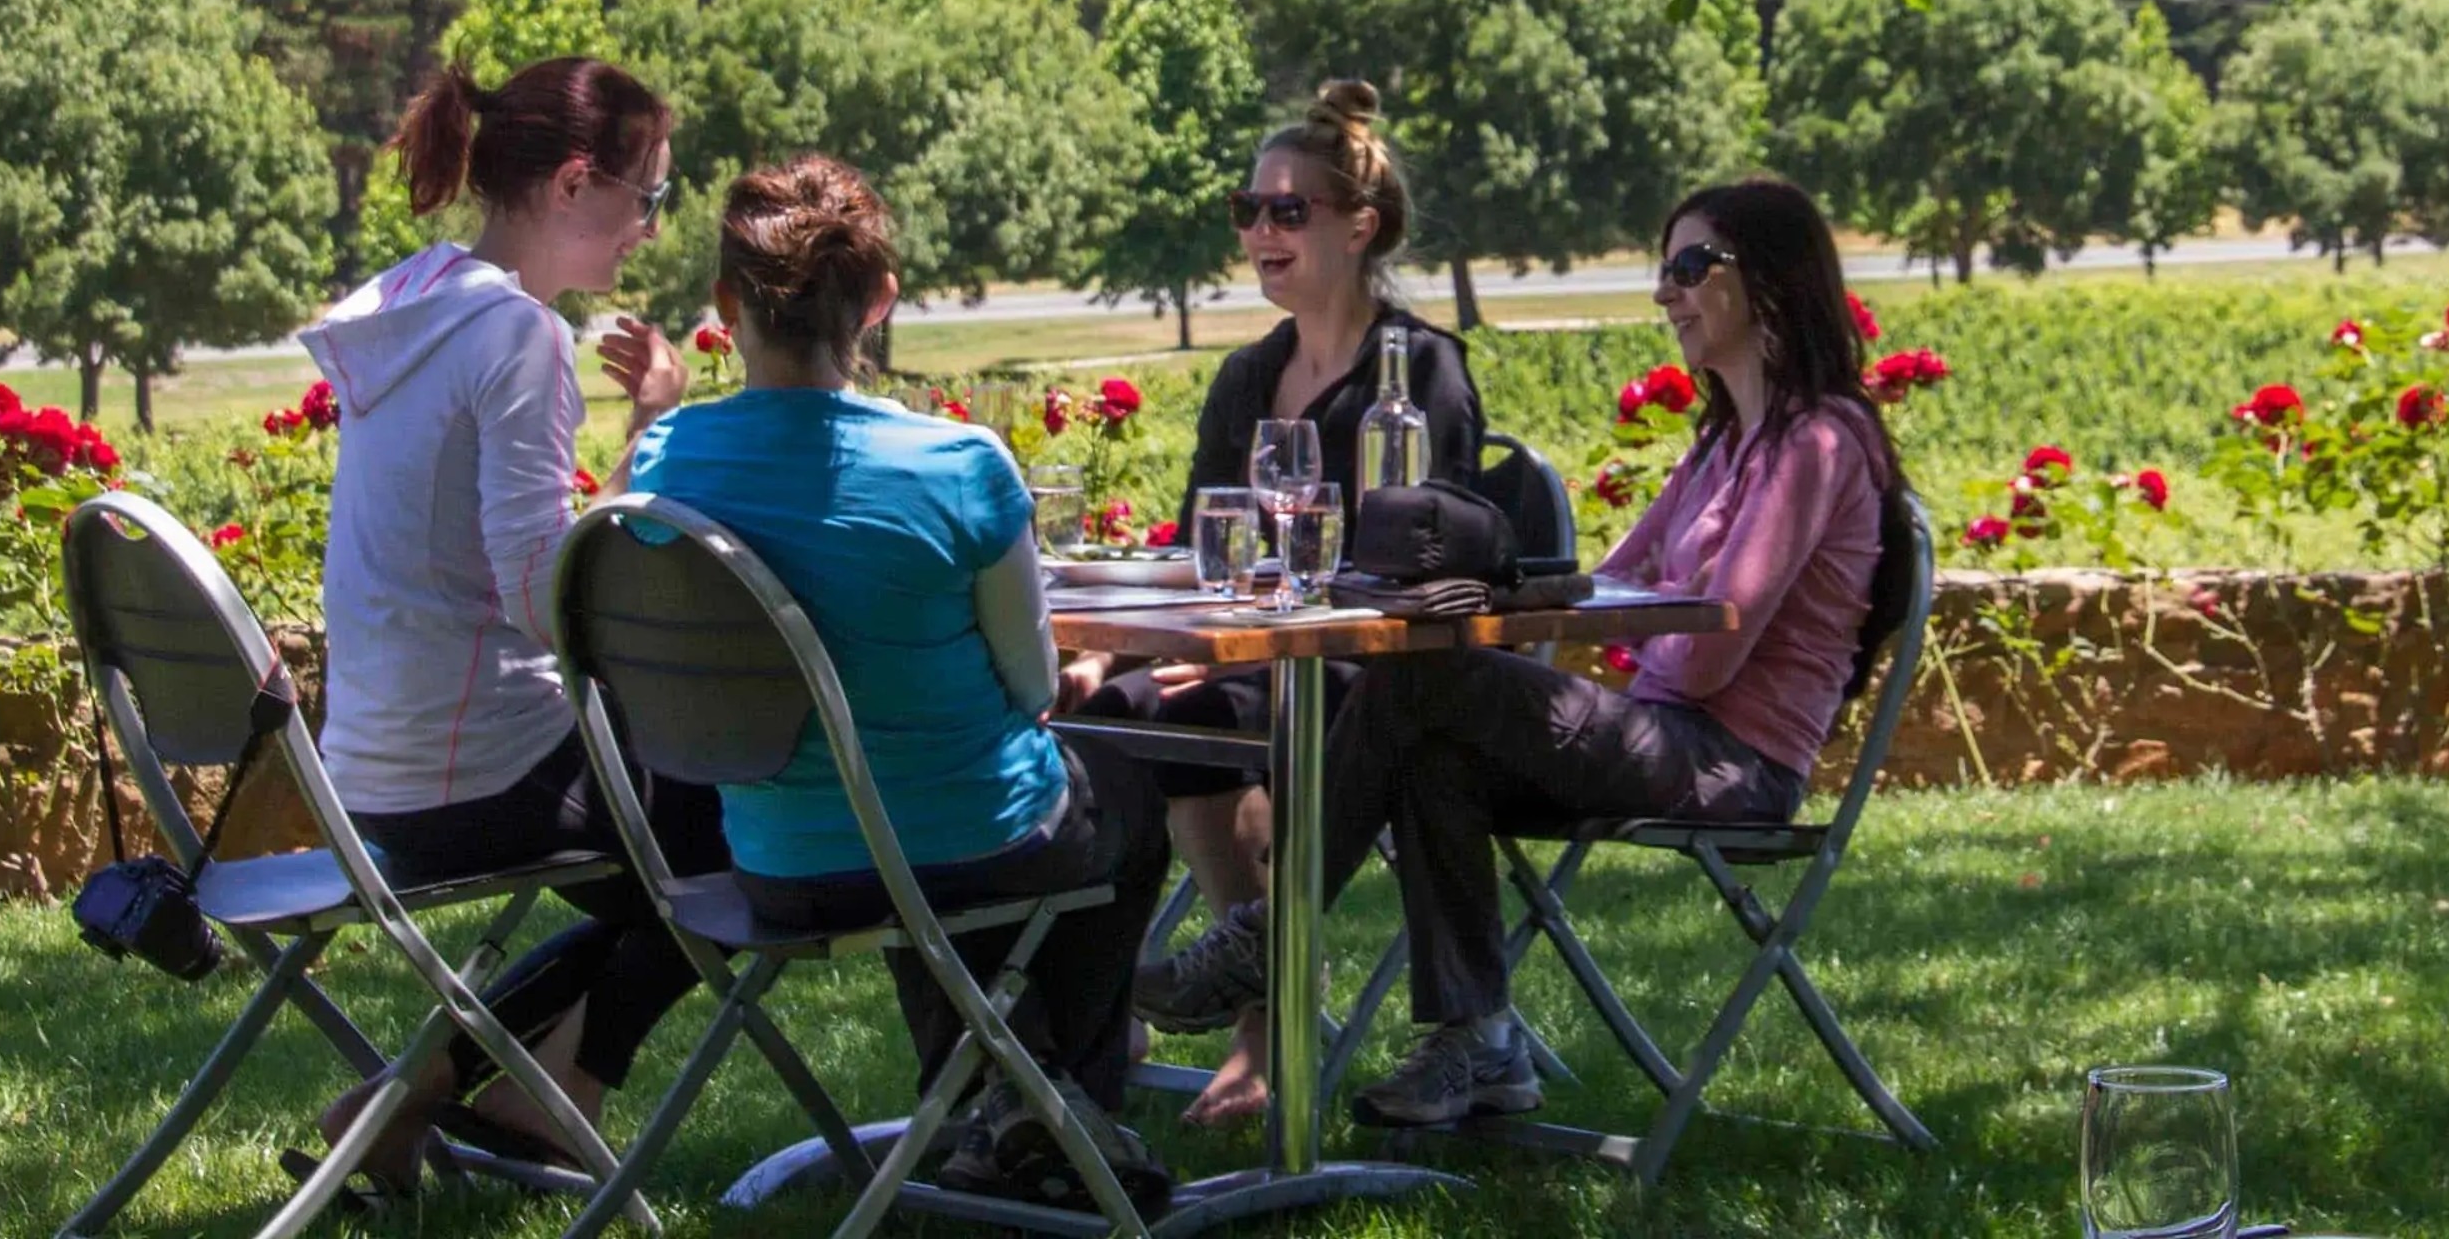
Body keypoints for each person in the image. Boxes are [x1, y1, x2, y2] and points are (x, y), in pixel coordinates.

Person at [1134, 178, 1912, 1129]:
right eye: (1662, 269)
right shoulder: (1723, 445)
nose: (1666, 292)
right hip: (1664, 731)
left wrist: (1557, 641)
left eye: (1690, 266)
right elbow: (1602, 585)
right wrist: (1507, 600)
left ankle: (1272, 932)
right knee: (1431, 741)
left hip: (1729, 760)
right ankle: (1480, 1042)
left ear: (1776, 282)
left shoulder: (1816, 445)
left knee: (1421, 677)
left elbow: (1707, 655)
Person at [625, 155, 1173, 1213]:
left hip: (774, 862)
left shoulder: (662, 462)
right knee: (1123, 788)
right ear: (878, 304)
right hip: (968, 847)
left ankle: (1001, 1100)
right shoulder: (957, 463)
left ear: (724, 306)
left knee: (925, 832)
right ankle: (1065, 1110)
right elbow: (1031, 689)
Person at [285, 56, 717, 1205]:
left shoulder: (421, 301)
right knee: (750, 842)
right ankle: (502, 1096)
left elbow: (527, 569)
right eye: (648, 197)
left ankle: (424, 1101)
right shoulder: (516, 338)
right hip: (481, 761)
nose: (647, 232)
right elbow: (548, 599)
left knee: (673, 868)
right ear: (575, 181)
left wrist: (650, 420)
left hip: (372, 760)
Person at [1063, 80, 1484, 1124]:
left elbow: (1419, 563)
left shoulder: (1421, 374)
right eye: (1246, 211)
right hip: (1251, 654)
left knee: (1228, 719)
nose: (1259, 231)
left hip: (1377, 678)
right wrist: (1113, 647)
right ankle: (1105, 1011)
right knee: (1111, 719)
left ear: (1359, 226)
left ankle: (1261, 1024)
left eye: (1286, 211)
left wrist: (1235, 649)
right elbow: (1198, 544)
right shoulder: (1249, 377)